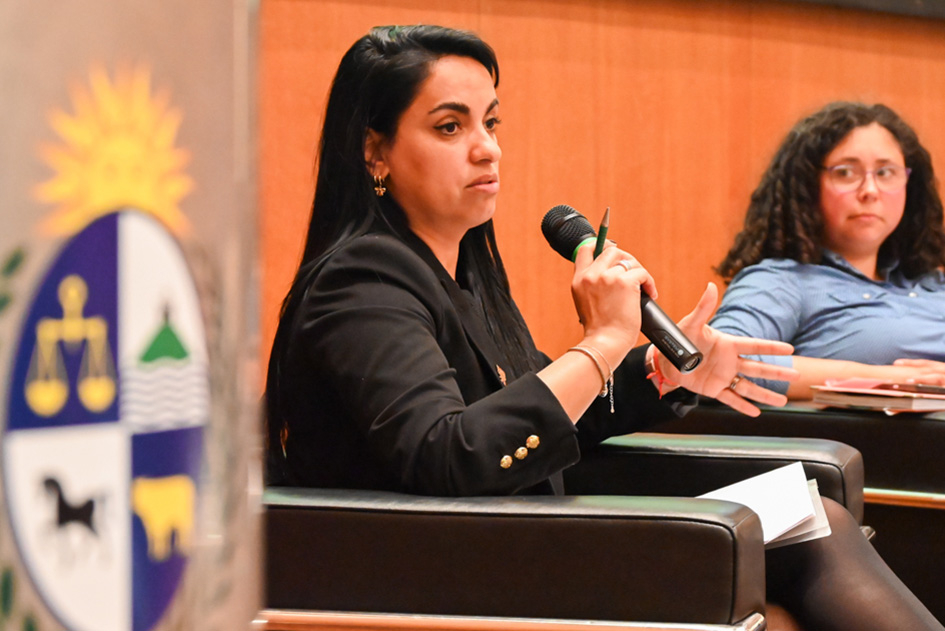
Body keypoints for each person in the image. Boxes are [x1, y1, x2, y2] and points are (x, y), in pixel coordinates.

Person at [264, 26, 943, 631]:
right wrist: (604, 339)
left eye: (491, 123)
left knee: (814, 516)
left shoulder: (459, 278)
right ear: (373, 150)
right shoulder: (359, 282)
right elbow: (451, 455)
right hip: (437, 569)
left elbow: (548, 419)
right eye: (450, 127)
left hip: (512, 539)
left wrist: (657, 369)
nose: (486, 151)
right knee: (815, 533)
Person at [713, 102, 945, 398]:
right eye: (846, 172)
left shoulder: (932, 283)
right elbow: (717, 359)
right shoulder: (782, 281)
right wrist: (891, 379)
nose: (870, 191)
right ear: (807, 187)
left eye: (886, 173)